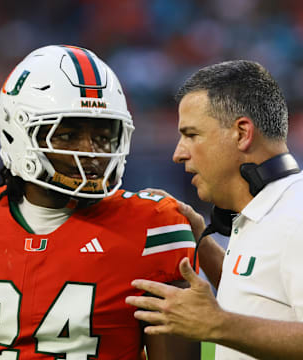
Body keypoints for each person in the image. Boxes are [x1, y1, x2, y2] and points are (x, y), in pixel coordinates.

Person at [0, 45, 201, 359]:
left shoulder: (154, 225)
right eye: (67, 135)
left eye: (103, 136)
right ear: (20, 133)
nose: (91, 151)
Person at [125, 60, 303, 360]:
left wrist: (217, 324)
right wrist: (202, 243)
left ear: (241, 133)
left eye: (192, 134)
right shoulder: (265, 210)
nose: (178, 153)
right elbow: (260, 301)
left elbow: (229, 322)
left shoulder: (296, 216)